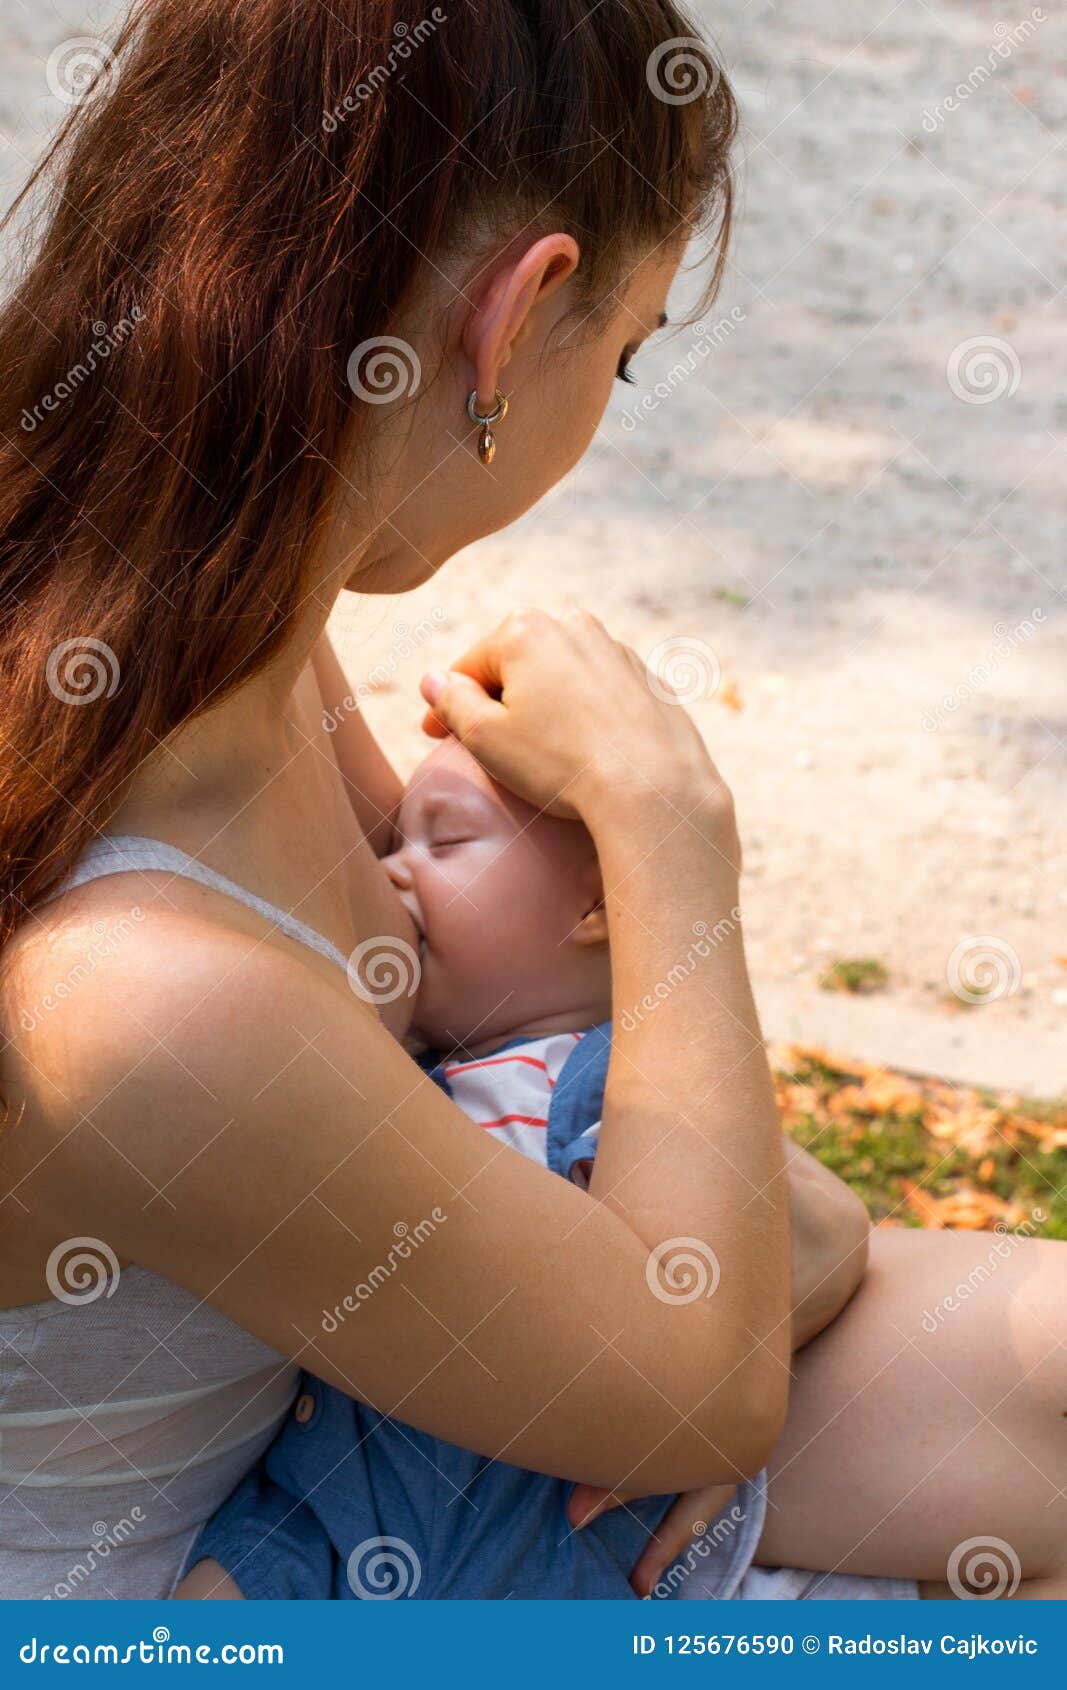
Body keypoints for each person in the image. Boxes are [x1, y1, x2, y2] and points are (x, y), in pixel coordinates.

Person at [0, 1, 1063, 1604]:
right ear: (514, 318)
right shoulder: (139, 991)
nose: (605, 397)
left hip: (364, 1474)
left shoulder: (208, 651)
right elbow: (691, 1375)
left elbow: (534, 1109)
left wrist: (787, 1246)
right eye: (623, 353)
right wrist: (663, 831)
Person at [175, 740, 876, 1601]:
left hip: (544, 1551)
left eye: (447, 842)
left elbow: (792, 1236)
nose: (390, 872)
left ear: (598, 904)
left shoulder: (625, 1086)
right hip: (322, 1518)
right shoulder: (385, 1055)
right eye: (392, 843)